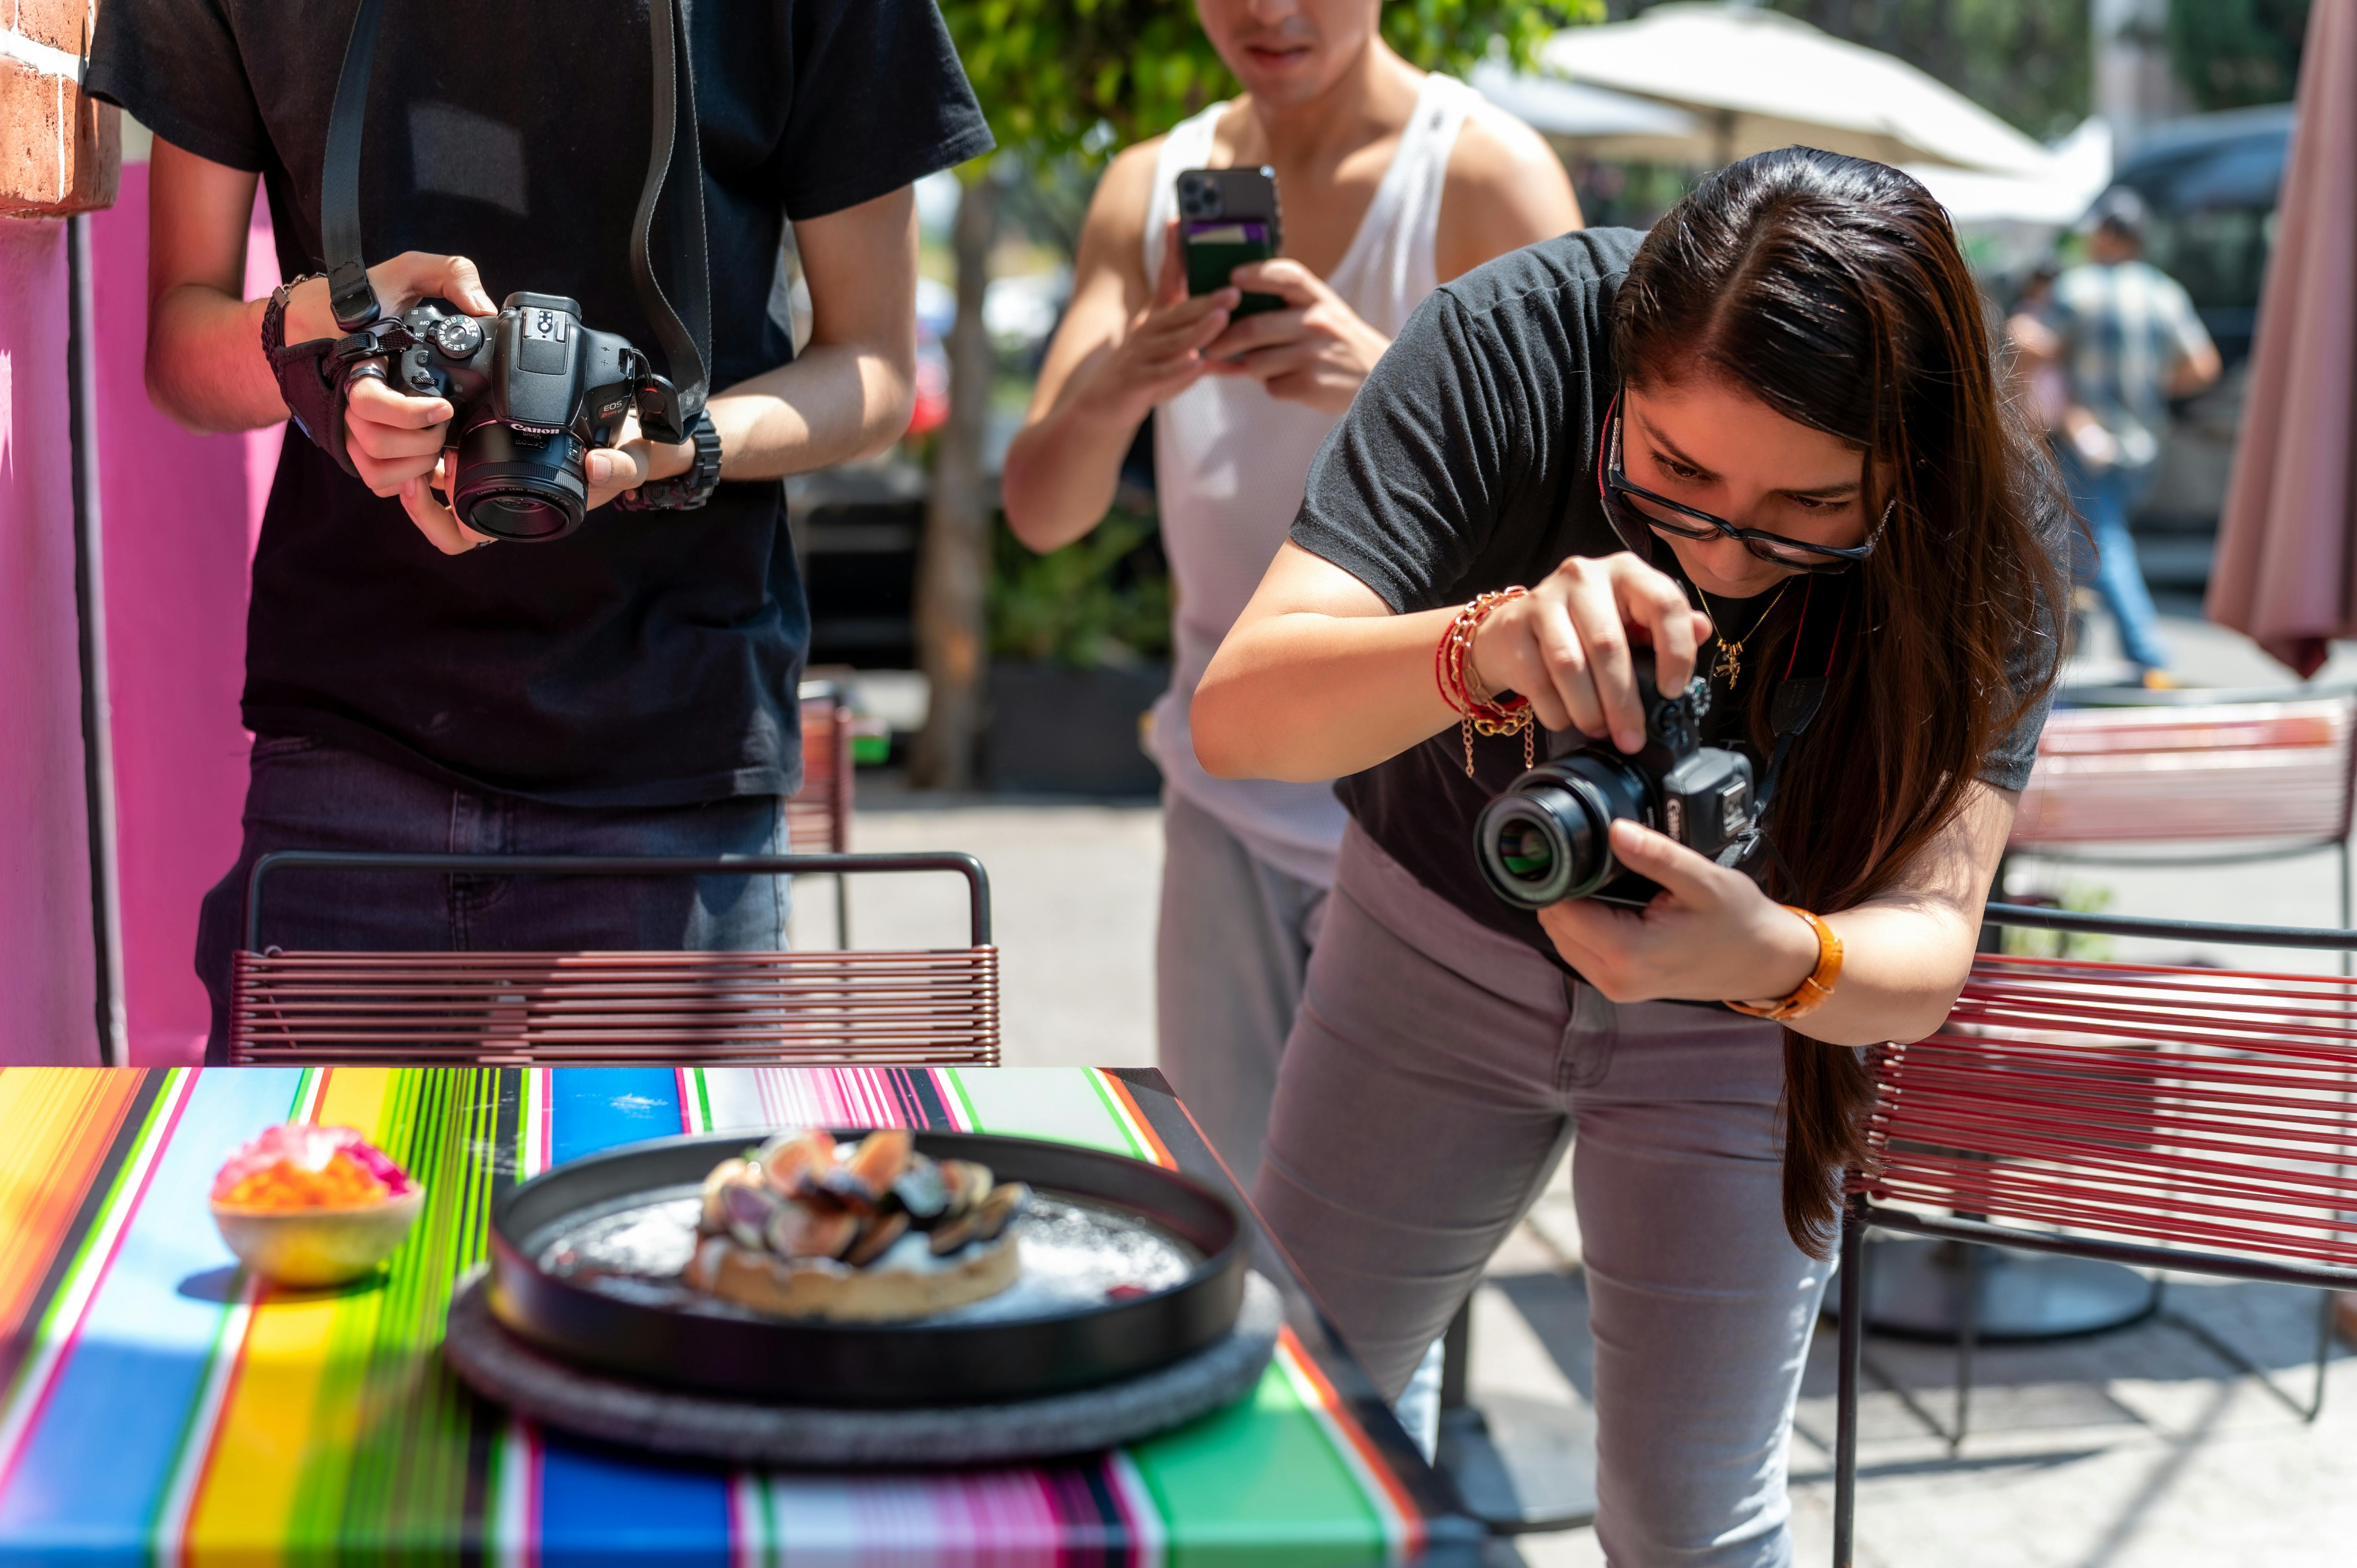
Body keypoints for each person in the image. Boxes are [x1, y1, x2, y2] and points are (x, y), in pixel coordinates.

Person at [1191, 148, 2065, 1565]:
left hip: (1750, 1017)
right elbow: (1239, 715)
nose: (1723, 554)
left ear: (1909, 459)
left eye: (1807, 510)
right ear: (1616, 372)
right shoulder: (1506, 342)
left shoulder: (1991, 533)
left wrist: (1780, 955)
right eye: (1671, 471)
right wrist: (1478, 645)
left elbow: (1924, 945)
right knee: (1303, 1426)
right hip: (1428, 937)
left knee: (1688, 1519)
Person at [84, 2, 991, 1058]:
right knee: (326, 1214)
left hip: (674, 769)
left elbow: (877, 365)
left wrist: (674, 444)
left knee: (655, 1221)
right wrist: (333, 336)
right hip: (350, 755)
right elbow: (182, 355)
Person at [999, 0, 1579, 1192]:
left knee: (1370, 1273)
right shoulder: (1148, 187)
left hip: (1434, 806)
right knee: (1225, 1221)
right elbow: (1043, 512)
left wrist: (1391, 383)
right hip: (1223, 795)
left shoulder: (1484, 173)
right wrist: (1119, 383)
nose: (1269, 11)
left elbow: (1586, 520)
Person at [2009, 186, 2220, 683]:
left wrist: (2019, 329)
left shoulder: (2079, 289)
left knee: (2098, 545)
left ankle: (2149, 656)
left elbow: (2038, 348)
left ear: (2107, 235)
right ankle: (2100, 650)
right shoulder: (2165, 292)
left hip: (2089, 439)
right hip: (2144, 441)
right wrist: (2147, 384)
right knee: (2095, 540)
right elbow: (2203, 367)